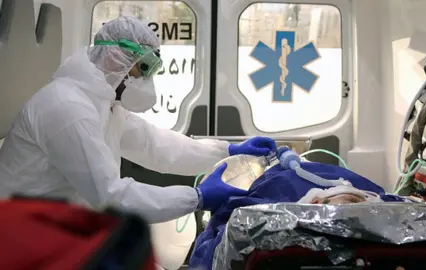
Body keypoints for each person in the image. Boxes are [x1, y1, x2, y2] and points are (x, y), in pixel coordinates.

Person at [0, 16, 276, 223]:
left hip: (57, 227)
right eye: (143, 67)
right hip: (24, 237)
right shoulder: (66, 108)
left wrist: (226, 151)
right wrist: (197, 198)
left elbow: (157, 146)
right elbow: (111, 196)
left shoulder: (104, 103)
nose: (145, 80)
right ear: (114, 57)